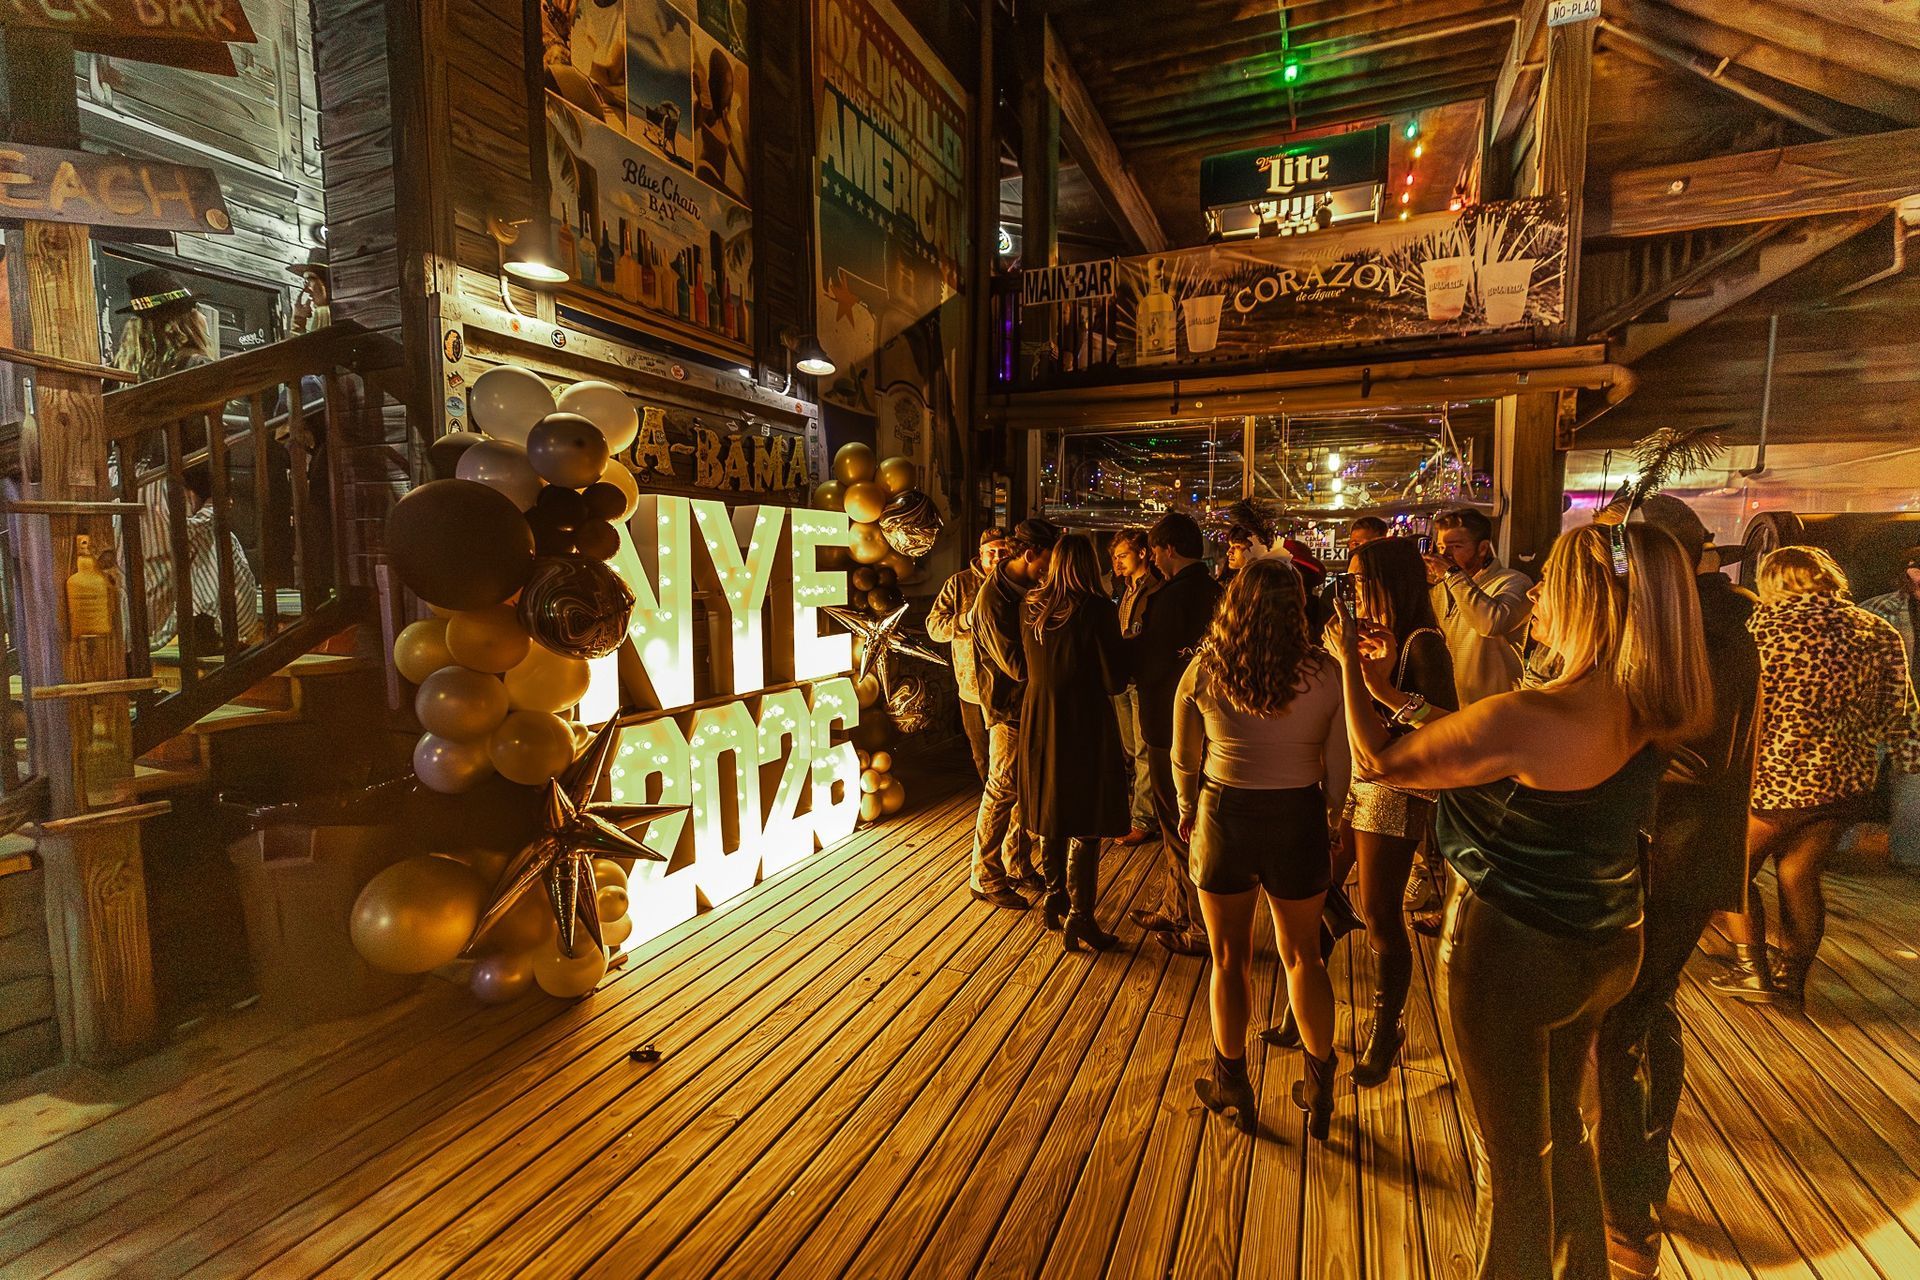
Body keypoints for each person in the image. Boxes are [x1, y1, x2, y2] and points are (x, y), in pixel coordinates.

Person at [1331, 521, 1711, 1280]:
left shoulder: (1532, 713)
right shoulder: (1646, 703)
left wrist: (1346, 667)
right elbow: (1488, 749)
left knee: (1507, 1165)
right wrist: (1390, 692)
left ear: (1589, 603)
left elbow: (1380, 762)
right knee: (1562, 1130)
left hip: (1511, 952)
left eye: (1551, 582)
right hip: (1606, 943)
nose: (1532, 593)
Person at [1596, 496, 1759, 1278]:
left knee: (1619, 1026)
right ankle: (1645, 1177)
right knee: (1647, 1015)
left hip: (1680, 855)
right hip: (1659, 849)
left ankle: (1628, 1212)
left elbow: (1704, 756)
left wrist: (1608, 745)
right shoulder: (1689, 623)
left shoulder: (1721, 632)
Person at [1175, 558, 1350, 1137]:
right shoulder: (1326, 673)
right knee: (1305, 956)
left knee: (1230, 959)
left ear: (1234, 604)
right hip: (1297, 813)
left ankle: (1232, 1084)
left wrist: (1184, 809)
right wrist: (1330, 816)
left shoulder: (1204, 670)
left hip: (1226, 813)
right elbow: (1339, 764)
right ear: (1297, 606)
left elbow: (1184, 757)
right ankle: (1319, 1088)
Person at [1710, 545, 1920, 1007]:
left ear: (1774, 582)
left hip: (1776, 778)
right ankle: (1791, 980)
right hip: (1847, 782)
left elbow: (1735, 705)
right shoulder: (1877, 630)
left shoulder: (1763, 627)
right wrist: (1908, 763)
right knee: (1799, 873)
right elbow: (1899, 708)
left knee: (1727, 869)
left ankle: (1752, 971)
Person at [1329, 536, 1456, 1088]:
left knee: (1381, 913)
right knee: (1320, 888)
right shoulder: (1378, 638)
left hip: (1398, 788)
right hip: (1357, 777)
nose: (1354, 591)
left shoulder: (1423, 642)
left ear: (1390, 583)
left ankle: (1387, 1029)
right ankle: (1303, 1002)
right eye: (1350, 581)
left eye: (1362, 580)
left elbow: (1453, 722)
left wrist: (1382, 690)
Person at [1019, 534, 1130, 950]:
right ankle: (1081, 917)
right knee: (1087, 816)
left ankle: (1054, 898)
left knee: (1052, 805)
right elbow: (1113, 679)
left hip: (1040, 714)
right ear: (1087, 565)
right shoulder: (1097, 609)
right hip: (1082, 718)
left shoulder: (1030, 607)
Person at [1128, 512, 1223, 954]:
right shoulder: (1217, 592)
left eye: (1153, 551)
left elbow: (1154, 663)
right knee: (1184, 824)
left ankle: (1199, 925)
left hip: (1169, 722)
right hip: (1211, 724)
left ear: (1168, 549)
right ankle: (1175, 905)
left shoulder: (1171, 599)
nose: (1152, 560)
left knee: (1181, 824)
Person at [967, 518, 1059, 907]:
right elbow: (1015, 665)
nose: (1050, 571)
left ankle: (1017, 863)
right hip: (1007, 707)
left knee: (1024, 788)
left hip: (1029, 704)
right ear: (1029, 554)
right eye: (1047, 562)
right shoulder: (993, 599)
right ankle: (984, 875)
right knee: (1002, 789)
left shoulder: (1025, 587)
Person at [1424, 507, 1533, 705]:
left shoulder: (1514, 582)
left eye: (1455, 546)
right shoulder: (1441, 587)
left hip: (1497, 710)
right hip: (1449, 709)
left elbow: (1491, 624)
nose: (1445, 555)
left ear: (1482, 548)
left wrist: (1453, 575)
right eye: (1440, 547)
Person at [927, 528, 1010, 784]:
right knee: (981, 754)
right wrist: (965, 620)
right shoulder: (958, 584)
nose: (997, 557)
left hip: (1008, 685)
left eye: (1003, 552)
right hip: (972, 687)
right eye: (991, 552)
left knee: (1008, 756)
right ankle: (990, 809)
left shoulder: (1016, 583)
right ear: (981, 554)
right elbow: (934, 628)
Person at [1860, 546, 1920, 869]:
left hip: (1914, 714)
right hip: (1877, 710)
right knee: (1857, 779)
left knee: (1914, 785)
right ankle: (1829, 848)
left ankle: (1909, 857)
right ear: (1911, 572)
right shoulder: (1879, 609)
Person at [1110, 530, 1161, 846]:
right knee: (1129, 747)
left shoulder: (1156, 589)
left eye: (1123, 555)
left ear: (1143, 553)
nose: (1117, 563)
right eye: (1115, 557)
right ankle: (1135, 810)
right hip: (1122, 676)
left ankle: (1144, 818)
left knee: (1142, 749)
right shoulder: (1123, 588)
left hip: (1142, 677)